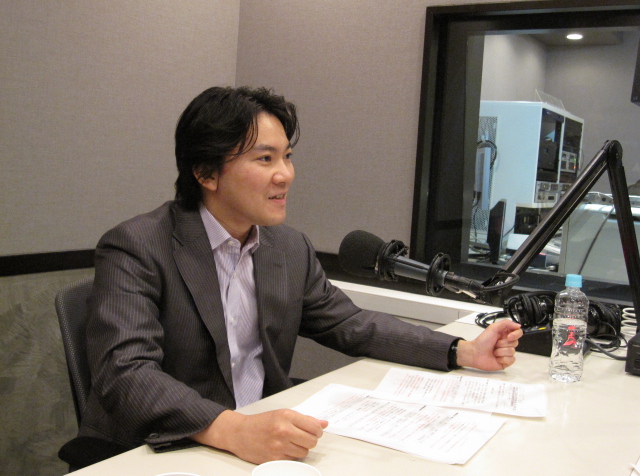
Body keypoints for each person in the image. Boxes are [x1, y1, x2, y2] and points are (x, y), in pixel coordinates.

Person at [79, 86, 522, 466]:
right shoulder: (137, 246)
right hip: (157, 449)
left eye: (287, 157)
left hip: (255, 441)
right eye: (265, 158)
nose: (285, 175)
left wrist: (461, 350)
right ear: (206, 173)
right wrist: (234, 429)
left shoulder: (287, 247)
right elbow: (125, 373)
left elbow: (350, 323)